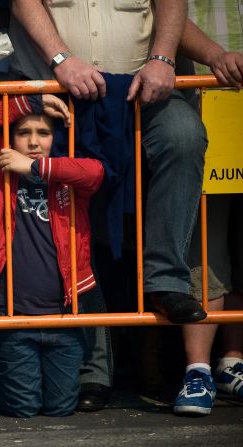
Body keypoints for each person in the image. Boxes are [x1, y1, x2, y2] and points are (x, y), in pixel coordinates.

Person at [9, 0, 210, 411]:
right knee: (73, 231)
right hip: (58, 95)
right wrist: (62, 59)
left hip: (142, 90)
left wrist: (163, 58)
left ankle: (166, 281)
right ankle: (93, 371)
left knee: (184, 135)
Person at [0, 93, 104, 417]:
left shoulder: (67, 176)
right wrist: (34, 102)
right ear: (10, 138)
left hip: (64, 317)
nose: (33, 141)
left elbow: (95, 173)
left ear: (56, 139)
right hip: (14, 315)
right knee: (24, 408)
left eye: (43, 133)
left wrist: (34, 166)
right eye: (23, 133)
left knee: (60, 408)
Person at [172, 0, 243, 416]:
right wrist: (216, 56)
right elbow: (167, 16)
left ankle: (232, 362)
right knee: (206, 240)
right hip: (201, 97)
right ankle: (196, 369)